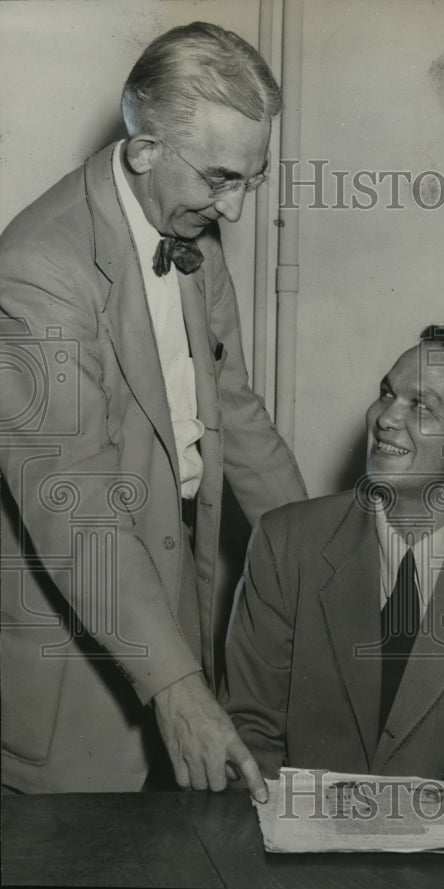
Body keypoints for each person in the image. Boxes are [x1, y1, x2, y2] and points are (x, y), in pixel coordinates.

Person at [0, 22, 307, 799]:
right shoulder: (38, 271)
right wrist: (174, 684)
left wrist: (321, 558)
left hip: (177, 576)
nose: (236, 211)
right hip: (74, 626)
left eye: (250, 178)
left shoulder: (189, 218)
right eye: (219, 179)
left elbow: (235, 411)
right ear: (142, 154)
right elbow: (76, 502)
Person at [224, 327, 444, 780]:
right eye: (387, 394)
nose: (386, 418)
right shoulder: (286, 542)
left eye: (421, 405)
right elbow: (248, 734)